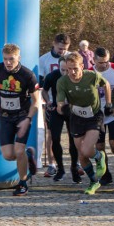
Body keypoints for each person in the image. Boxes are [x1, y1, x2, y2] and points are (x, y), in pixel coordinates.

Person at [0, 43, 39, 195]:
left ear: (19, 58)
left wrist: (28, 118)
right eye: (5, 59)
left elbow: (36, 101)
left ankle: (23, 183)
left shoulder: (28, 75)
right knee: (8, 155)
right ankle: (28, 156)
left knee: (18, 151)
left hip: (22, 117)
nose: (8, 62)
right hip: (5, 116)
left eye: (11, 59)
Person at [56, 52, 113, 196]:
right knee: (81, 155)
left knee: (87, 150)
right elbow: (60, 102)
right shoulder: (62, 82)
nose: (72, 72)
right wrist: (62, 108)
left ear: (82, 66)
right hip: (76, 118)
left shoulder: (91, 76)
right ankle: (94, 181)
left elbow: (106, 84)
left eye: (75, 68)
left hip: (94, 116)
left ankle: (100, 157)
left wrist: (109, 103)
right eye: (68, 69)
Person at [41, 54, 78, 182]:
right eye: (62, 70)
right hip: (57, 108)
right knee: (55, 138)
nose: (65, 72)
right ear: (59, 67)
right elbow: (44, 90)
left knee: (73, 139)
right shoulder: (52, 76)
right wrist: (48, 102)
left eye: (67, 70)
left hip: (72, 109)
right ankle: (60, 168)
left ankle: (74, 167)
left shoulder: (75, 75)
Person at [93, 47, 114, 184]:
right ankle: (105, 172)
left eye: (106, 61)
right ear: (94, 60)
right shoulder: (90, 72)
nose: (104, 65)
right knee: (99, 146)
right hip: (97, 113)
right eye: (101, 62)